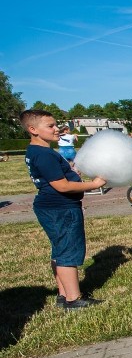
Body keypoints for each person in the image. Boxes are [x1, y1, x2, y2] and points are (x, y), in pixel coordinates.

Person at [20, 109, 106, 309]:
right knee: (68, 251)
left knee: (60, 250)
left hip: (52, 208)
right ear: (33, 129)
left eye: (55, 124)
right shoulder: (44, 154)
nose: (56, 129)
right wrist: (94, 184)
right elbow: (62, 186)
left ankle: (63, 294)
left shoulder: (36, 151)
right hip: (61, 209)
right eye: (50, 126)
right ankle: (74, 299)